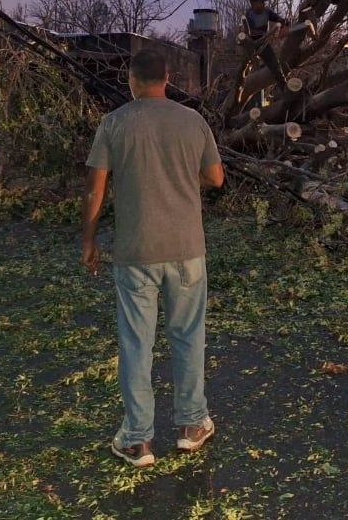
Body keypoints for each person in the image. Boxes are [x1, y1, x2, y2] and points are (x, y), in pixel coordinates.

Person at [82, 49, 225, 468]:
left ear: (132, 80)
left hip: (135, 251)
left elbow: (95, 189)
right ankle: (192, 425)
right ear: (167, 78)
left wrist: (88, 240)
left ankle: (138, 440)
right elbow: (216, 178)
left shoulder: (114, 123)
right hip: (186, 250)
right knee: (188, 336)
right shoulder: (193, 121)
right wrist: (184, 176)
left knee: (135, 344)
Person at [243, 0, 289, 90]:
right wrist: (266, 34)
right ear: (255, 3)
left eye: (264, 2)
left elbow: (277, 18)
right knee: (248, 67)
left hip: (264, 43)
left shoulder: (267, 11)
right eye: (262, 2)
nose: (264, 4)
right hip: (251, 43)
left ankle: (284, 86)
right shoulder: (249, 14)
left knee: (275, 64)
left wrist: (284, 22)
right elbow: (249, 32)